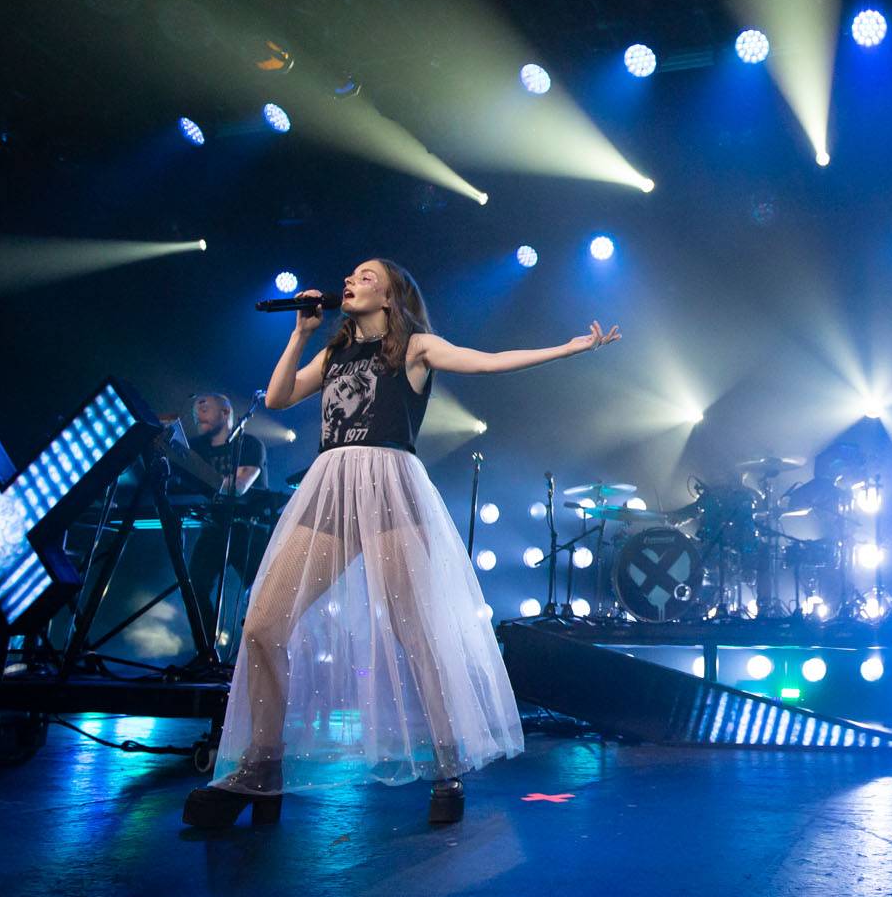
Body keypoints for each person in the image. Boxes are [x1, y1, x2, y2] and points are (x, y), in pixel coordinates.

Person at [183, 257, 621, 828]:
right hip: (332, 491)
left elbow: (485, 364)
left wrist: (567, 349)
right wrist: (300, 333)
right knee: (263, 625)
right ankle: (262, 769)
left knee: (413, 632)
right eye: (352, 276)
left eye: (367, 277)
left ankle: (447, 766)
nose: (351, 281)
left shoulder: (414, 346)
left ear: (391, 297)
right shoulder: (334, 351)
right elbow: (279, 397)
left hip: (390, 492)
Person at [180, 392, 267, 649]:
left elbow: (238, 487)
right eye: (195, 410)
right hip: (214, 528)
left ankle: (258, 654)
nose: (198, 413)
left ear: (226, 412)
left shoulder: (249, 444)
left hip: (248, 528)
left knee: (261, 591)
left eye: (205, 406)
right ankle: (206, 653)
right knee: (195, 587)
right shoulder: (194, 448)